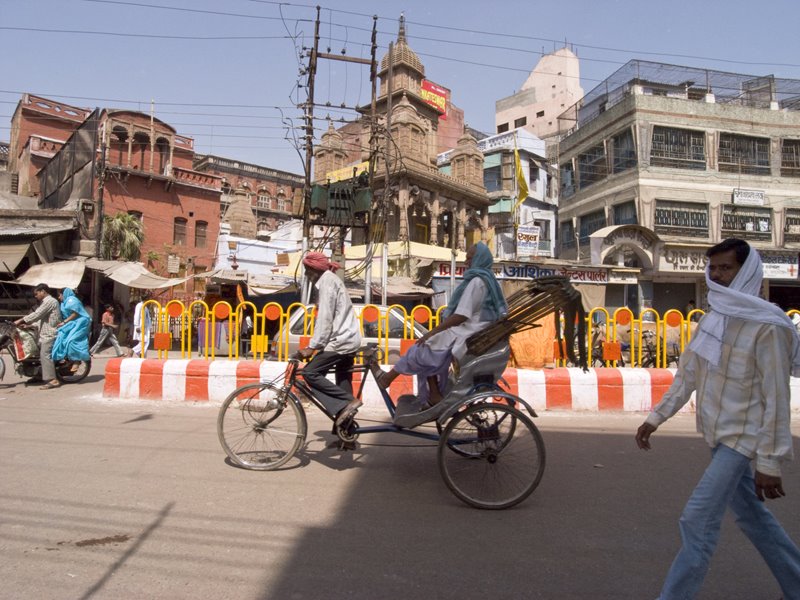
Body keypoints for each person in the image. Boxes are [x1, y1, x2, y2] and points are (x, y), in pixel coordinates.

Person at [635, 238, 800, 600]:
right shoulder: (713, 319)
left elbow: (777, 395)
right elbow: (688, 376)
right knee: (755, 521)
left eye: (727, 268)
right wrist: (656, 417)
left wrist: (770, 460)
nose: (718, 275)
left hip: (741, 440)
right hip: (716, 436)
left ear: (747, 271)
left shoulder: (768, 327)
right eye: (714, 268)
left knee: (697, 520)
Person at [377, 242, 507, 408]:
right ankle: (430, 391)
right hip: (474, 330)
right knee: (427, 350)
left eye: (470, 258)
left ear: (479, 259)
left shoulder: (477, 282)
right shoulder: (490, 280)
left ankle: (396, 380)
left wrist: (433, 332)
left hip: (469, 332)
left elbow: (461, 315)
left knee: (423, 347)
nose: (466, 262)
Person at [296, 252, 363, 428]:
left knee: (310, 373)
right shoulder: (330, 280)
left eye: (307, 271)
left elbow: (325, 318)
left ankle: (348, 401)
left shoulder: (327, 282)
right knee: (343, 382)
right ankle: (346, 434)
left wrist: (312, 347)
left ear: (313, 269)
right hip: (348, 338)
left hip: (341, 341)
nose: (306, 275)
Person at [14, 283, 61, 389]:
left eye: (36, 294)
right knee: (37, 355)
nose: (36, 296)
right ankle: (39, 375)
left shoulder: (50, 301)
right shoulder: (45, 302)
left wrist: (21, 320)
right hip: (43, 333)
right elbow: (41, 320)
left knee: (45, 356)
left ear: (43, 291)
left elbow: (37, 314)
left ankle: (53, 380)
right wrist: (28, 325)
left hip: (49, 334)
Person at [51, 288, 91, 372]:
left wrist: (64, 322)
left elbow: (75, 313)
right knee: (62, 337)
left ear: (64, 294)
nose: (58, 297)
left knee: (72, 340)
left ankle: (77, 360)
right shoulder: (63, 302)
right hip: (72, 323)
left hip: (81, 322)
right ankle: (64, 357)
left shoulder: (72, 300)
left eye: (59, 295)